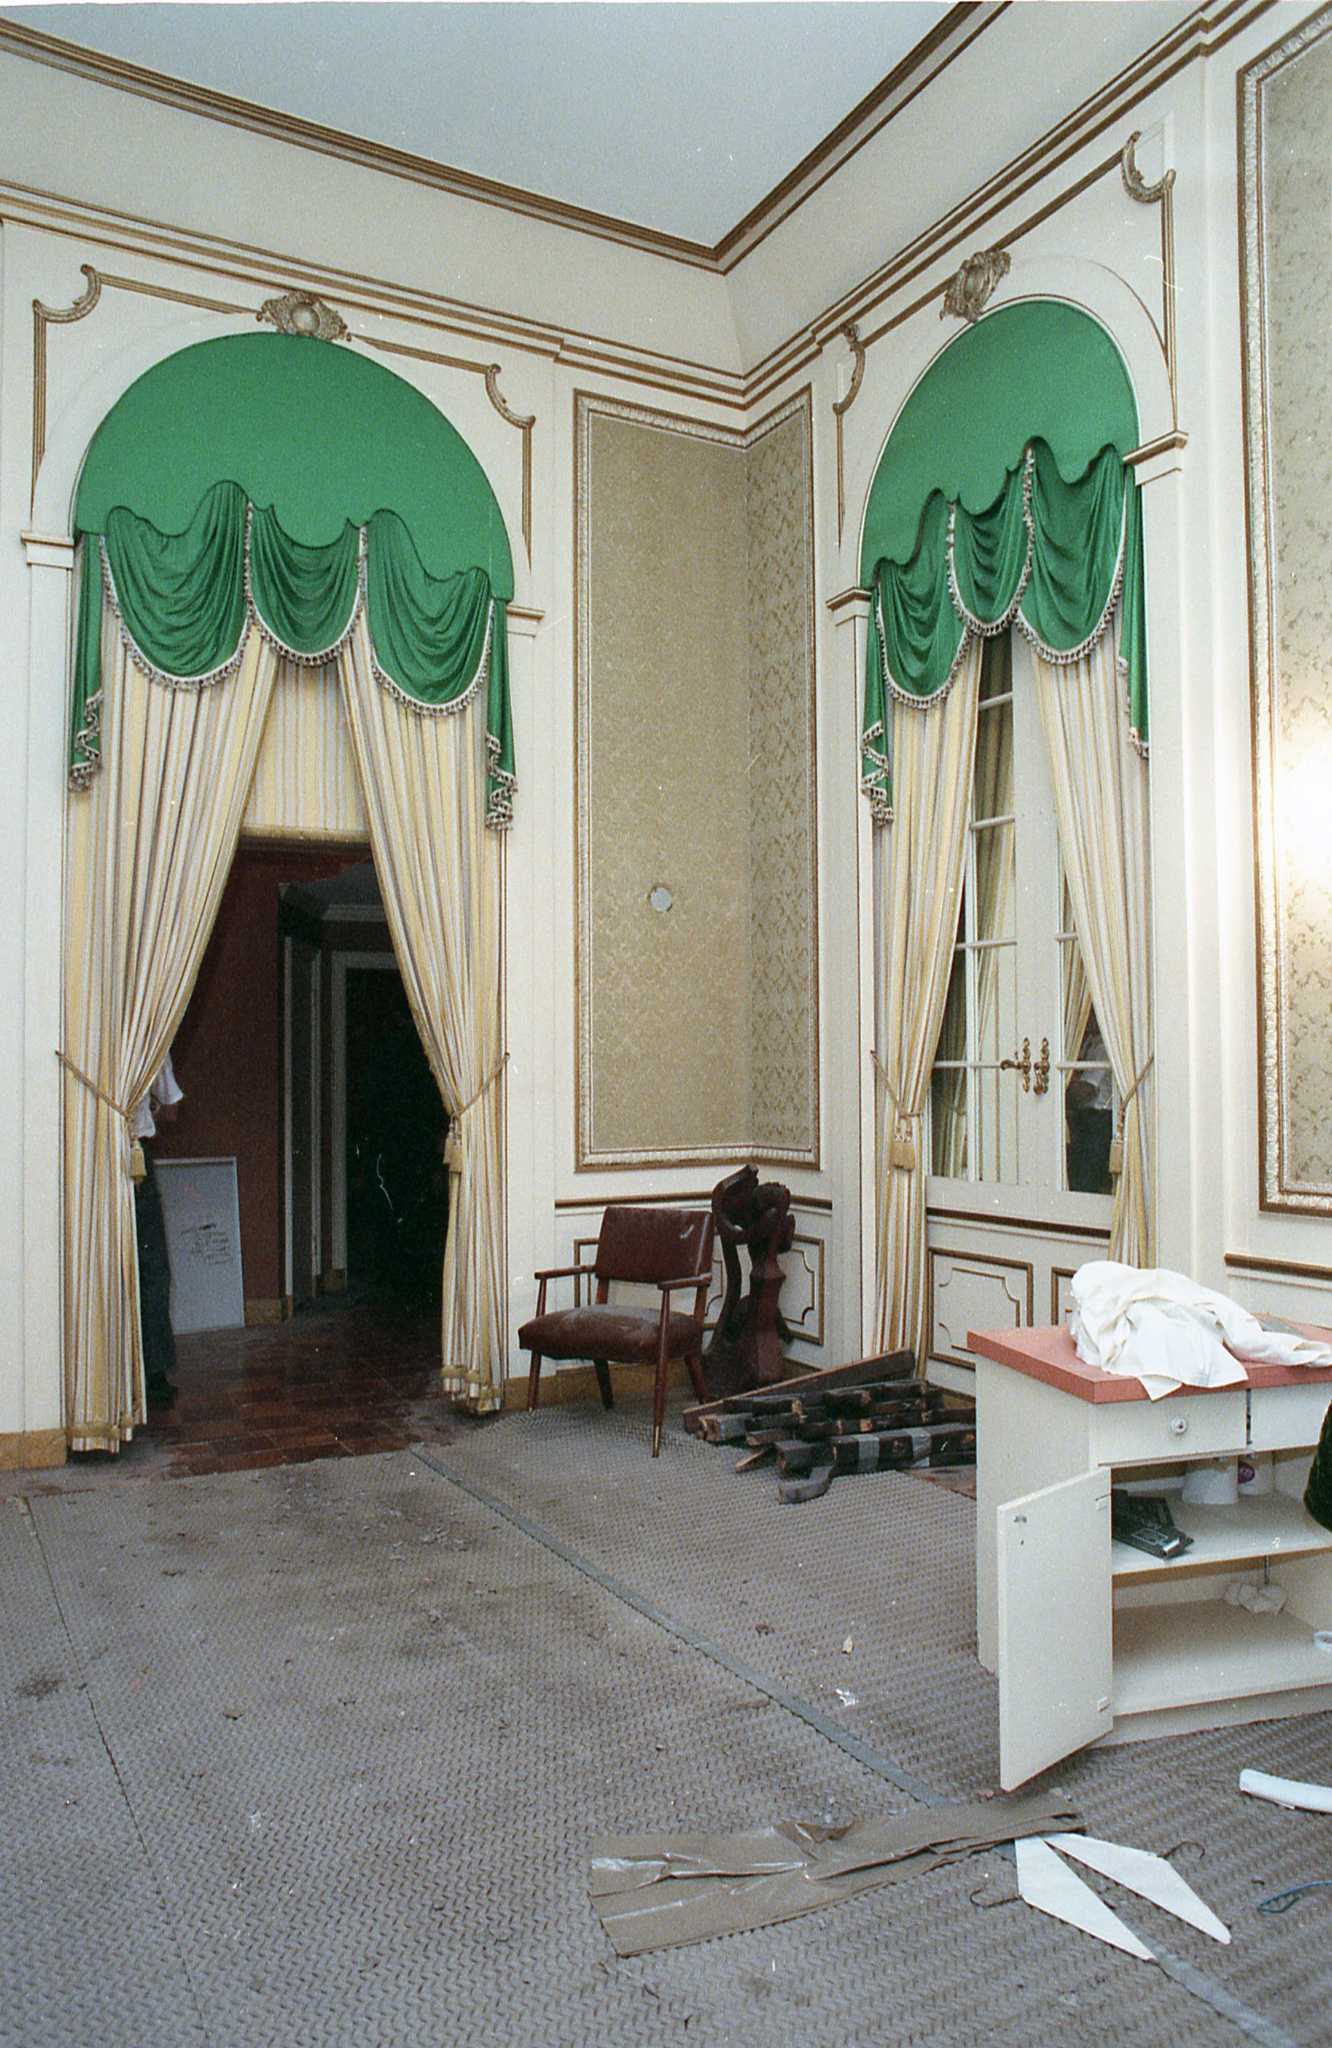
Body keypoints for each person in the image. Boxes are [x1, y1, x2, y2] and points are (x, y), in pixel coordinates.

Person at [134, 1053, 183, 1405]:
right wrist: (149, 1108)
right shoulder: (152, 1039)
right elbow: (172, 1108)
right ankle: (154, 1376)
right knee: (152, 1270)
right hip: (137, 1158)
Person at [1065, 1023, 1114, 1195]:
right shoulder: (1088, 1042)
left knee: (1085, 1179)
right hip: (1083, 1119)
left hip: (1098, 1121)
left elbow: (1085, 1090)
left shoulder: (1103, 1046)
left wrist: (1060, 1093)